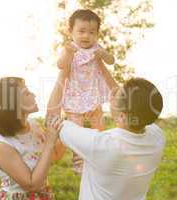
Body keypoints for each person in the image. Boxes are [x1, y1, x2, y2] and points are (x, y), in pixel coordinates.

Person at [46, 58, 165, 200]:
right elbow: (133, 103)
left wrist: (63, 74)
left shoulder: (100, 144)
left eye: (117, 96)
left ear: (122, 116)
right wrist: (100, 63)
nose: (112, 96)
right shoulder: (157, 137)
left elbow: (51, 120)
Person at [57, 9, 115, 174]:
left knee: (99, 127)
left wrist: (103, 54)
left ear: (97, 34)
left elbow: (111, 61)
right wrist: (68, 53)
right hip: (74, 96)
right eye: (81, 31)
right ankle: (78, 163)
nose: (86, 36)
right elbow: (60, 65)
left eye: (91, 32)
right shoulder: (71, 48)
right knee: (77, 132)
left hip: (92, 95)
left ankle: (100, 157)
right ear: (71, 31)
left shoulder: (97, 48)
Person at [0, 77, 65, 200]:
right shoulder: (2, 145)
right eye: (26, 93)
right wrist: (50, 141)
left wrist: (72, 124)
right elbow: (32, 185)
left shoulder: (32, 125)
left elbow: (54, 155)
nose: (33, 95)